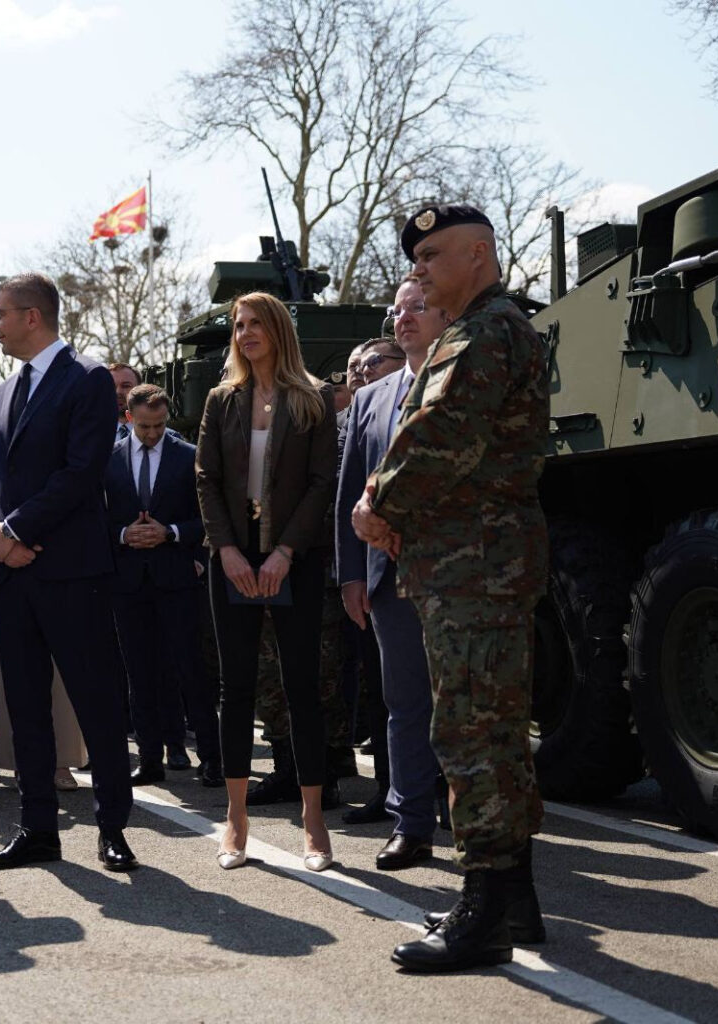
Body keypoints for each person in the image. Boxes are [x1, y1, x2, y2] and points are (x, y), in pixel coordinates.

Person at [352, 204, 548, 971]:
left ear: (477, 254)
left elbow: (441, 436)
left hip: (474, 567)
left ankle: (483, 913)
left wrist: (376, 503)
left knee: (471, 738)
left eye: (432, 255)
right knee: (492, 735)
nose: (419, 269)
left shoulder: (484, 333)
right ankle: (512, 901)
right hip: (472, 565)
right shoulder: (485, 329)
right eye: (416, 258)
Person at [0, 272, 137, 872]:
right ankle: (37, 828)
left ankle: (112, 828)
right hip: (12, 576)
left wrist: (14, 531)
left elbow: (81, 471)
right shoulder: (3, 392)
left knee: (96, 702)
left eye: (0, 313)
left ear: (32, 316)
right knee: (25, 707)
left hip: (70, 572)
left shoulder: (86, 379)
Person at [195, 291, 338, 873]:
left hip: (293, 556)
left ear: (278, 330)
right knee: (235, 687)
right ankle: (236, 820)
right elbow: (205, 478)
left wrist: (284, 551)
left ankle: (314, 822)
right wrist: (227, 549)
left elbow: (322, 481)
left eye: (256, 323)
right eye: (239, 325)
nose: (245, 333)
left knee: (302, 684)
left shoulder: (313, 397)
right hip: (232, 556)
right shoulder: (221, 399)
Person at [337, 276, 453, 857]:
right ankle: (411, 824)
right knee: (404, 704)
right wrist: (351, 576)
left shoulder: (464, 382)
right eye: (397, 310)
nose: (403, 318)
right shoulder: (369, 399)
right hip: (387, 578)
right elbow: (348, 493)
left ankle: (467, 814)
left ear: (445, 314)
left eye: (418, 307)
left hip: (459, 574)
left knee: (461, 705)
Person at [105, 383, 222, 787]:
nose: (153, 433)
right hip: (128, 582)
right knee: (139, 674)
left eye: (159, 425)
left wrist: (170, 532)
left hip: (177, 579)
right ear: (128, 419)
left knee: (192, 670)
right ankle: (150, 759)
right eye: (144, 426)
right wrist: (124, 535)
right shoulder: (108, 460)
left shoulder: (188, 456)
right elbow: (95, 520)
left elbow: (207, 517)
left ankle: (211, 758)